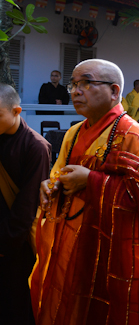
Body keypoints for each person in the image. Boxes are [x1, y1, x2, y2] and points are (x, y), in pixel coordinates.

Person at [31, 59, 139, 324]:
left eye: (86, 83)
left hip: (114, 245)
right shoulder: (73, 133)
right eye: (73, 84)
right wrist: (51, 186)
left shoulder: (132, 134)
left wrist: (92, 180)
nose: (76, 91)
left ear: (114, 91)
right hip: (73, 240)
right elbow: (59, 172)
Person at [0, 84, 51, 325]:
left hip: (14, 243)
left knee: (15, 305)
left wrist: (4, 245)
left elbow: (27, 206)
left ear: (16, 111)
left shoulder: (35, 147)